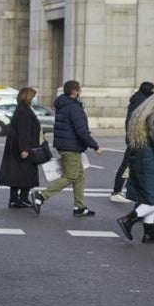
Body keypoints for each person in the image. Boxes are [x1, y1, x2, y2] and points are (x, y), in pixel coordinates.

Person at [31, 80, 102, 217]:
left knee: (79, 176)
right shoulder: (74, 108)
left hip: (65, 145)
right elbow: (81, 130)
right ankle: (41, 196)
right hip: (71, 147)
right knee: (70, 176)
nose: (80, 91)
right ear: (74, 91)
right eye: (79, 89)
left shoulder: (63, 104)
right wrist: (95, 146)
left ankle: (79, 207)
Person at [117, 93, 154, 244]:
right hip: (153, 165)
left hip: (140, 162)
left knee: (149, 197)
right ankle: (129, 220)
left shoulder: (139, 118)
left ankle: (149, 233)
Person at [0, 87, 41, 209]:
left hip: (16, 147)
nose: (33, 99)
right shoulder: (24, 111)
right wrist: (25, 149)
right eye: (32, 96)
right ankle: (22, 199)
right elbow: (23, 131)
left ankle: (14, 199)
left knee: (16, 175)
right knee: (27, 174)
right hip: (24, 147)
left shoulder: (21, 109)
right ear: (27, 97)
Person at [111, 81, 154, 203]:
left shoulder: (137, 101)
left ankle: (123, 191)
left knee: (132, 166)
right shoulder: (142, 103)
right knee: (128, 165)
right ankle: (117, 191)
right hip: (137, 139)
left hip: (134, 138)